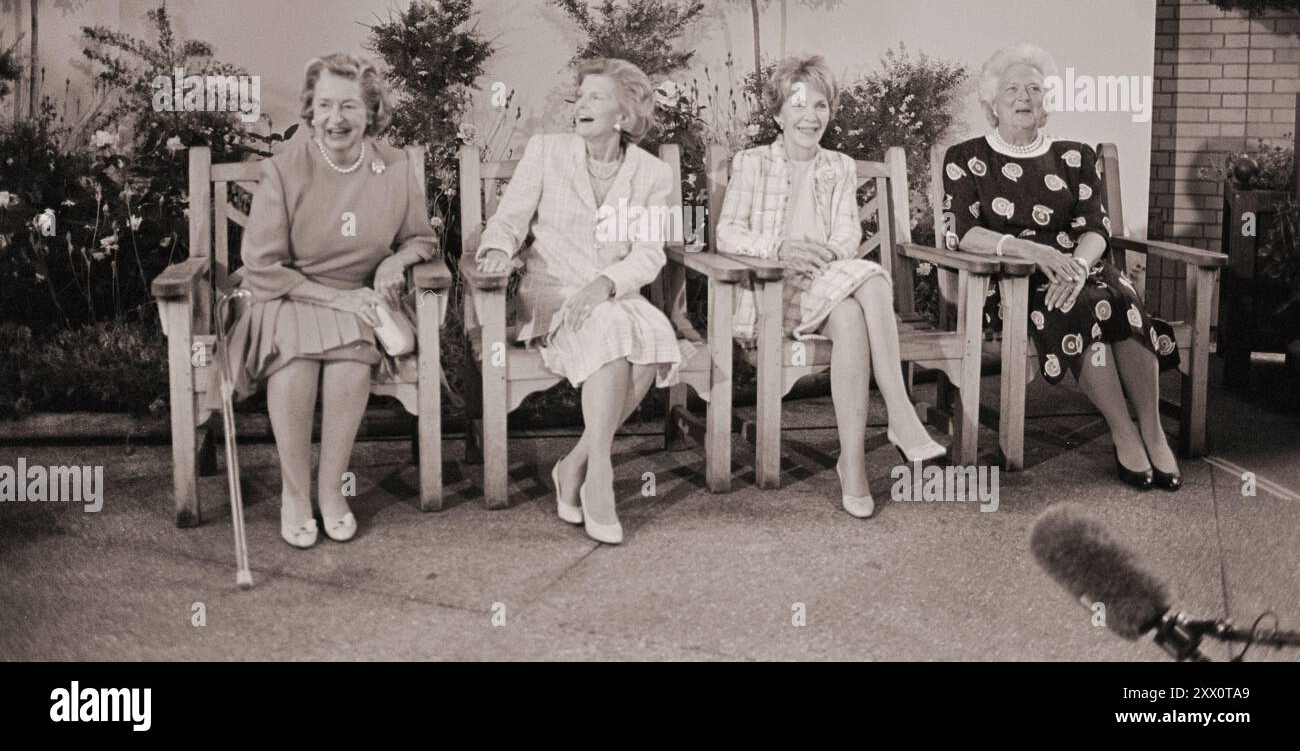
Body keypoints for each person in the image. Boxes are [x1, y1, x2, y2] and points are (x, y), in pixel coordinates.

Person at [211, 53, 437, 548]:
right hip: (285, 295)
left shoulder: (394, 167)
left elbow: (421, 239)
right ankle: (295, 495)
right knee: (295, 363)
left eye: (351, 106)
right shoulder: (286, 168)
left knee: (351, 362)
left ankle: (332, 492)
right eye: (327, 105)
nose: (337, 118)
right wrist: (335, 301)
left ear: (371, 112)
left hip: (356, 299)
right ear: (310, 110)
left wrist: (393, 264)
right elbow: (262, 264)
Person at [715, 54, 947, 519]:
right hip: (771, 294)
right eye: (799, 105)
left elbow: (847, 235)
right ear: (779, 113)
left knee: (853, 308)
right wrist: (780, 249)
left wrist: (827, 254)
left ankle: (855, 463)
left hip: (826, 283)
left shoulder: (838, 165)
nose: (810, 116)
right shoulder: (751, 163)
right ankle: (898, 417)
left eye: (820, 105)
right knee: (869, 288)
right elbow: (727, 234)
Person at [941, 43, 1182, 490]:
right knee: (1083, 305)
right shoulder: (966, 157)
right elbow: (964, 232)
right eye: (1012, 88)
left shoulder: (1074, 156)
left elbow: (1096, 226)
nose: (1024, 97)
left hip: (1080, 265)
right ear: (992, 102)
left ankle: (1152, 430)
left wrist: (1074, 265)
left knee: (1120, 297)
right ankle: (1123, 431)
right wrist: (1035, 255)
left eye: (1034, 88)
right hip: (1014, 279)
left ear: (1047, 100)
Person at [475, 57, 688, 545]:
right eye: (580, 97)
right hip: (553, 295)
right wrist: (494, 251)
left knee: (650, 341)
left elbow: (650, 253)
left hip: (612, 294)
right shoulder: (547, 152)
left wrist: (607, 284)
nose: (580, 106)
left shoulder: (652, 174)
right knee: (617, 334)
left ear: (625, 114)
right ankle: (600, 478)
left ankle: (573, 465)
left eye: (596, 97)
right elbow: (509, 219)